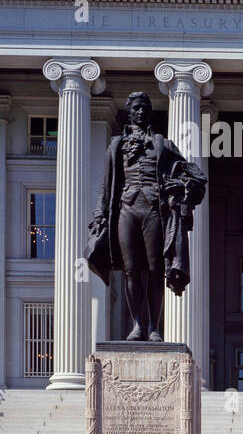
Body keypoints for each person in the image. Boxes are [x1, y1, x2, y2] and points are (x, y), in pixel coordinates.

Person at [85, 91, 206, 341]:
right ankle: (137, 324)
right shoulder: (117, 145)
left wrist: (181, 188)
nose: (141, 112)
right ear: (129, 112)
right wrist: (99, 215)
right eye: (137, 108)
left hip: (153, 209)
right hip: (126, 209)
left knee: (154, 269)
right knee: (131, 270)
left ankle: (153, 327)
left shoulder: (163, 143)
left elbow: (195, 176)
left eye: (145, 108)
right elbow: (106, 186)